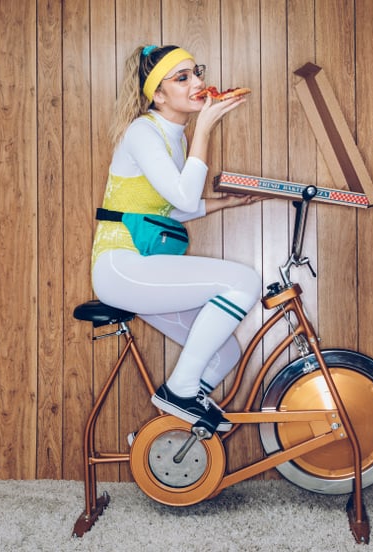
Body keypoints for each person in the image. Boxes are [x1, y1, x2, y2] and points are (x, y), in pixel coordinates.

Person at [91, 44, 261, 434]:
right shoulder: (143, 132)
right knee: (244, 282)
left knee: (224, 353)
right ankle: (179, 391)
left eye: (196, 72)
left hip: (142, 267)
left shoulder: (176, 137)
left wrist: (223, 203)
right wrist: (205, 128)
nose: (198, 83)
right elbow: (182, 196)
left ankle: (163, 437)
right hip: (122, 266)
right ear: (158, 94)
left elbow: (166, 206)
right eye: (182, 78)